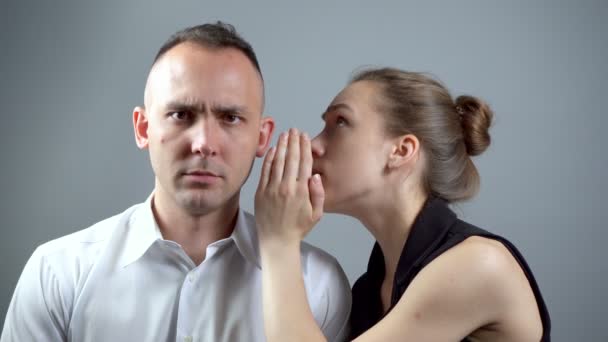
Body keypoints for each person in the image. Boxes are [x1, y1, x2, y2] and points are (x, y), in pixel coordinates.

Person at [1, 22, 351, 342]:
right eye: (181, 115)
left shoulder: (318, 285)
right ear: (143, 129)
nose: (204, 143)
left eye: (230, 117)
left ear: (262, 138)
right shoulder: (57, 273)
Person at [255, 68, 551, 341]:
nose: (313, 145)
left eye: (340, 122)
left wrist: (279, 241)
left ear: (401, 150)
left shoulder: (479, 264)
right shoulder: (369, 291)